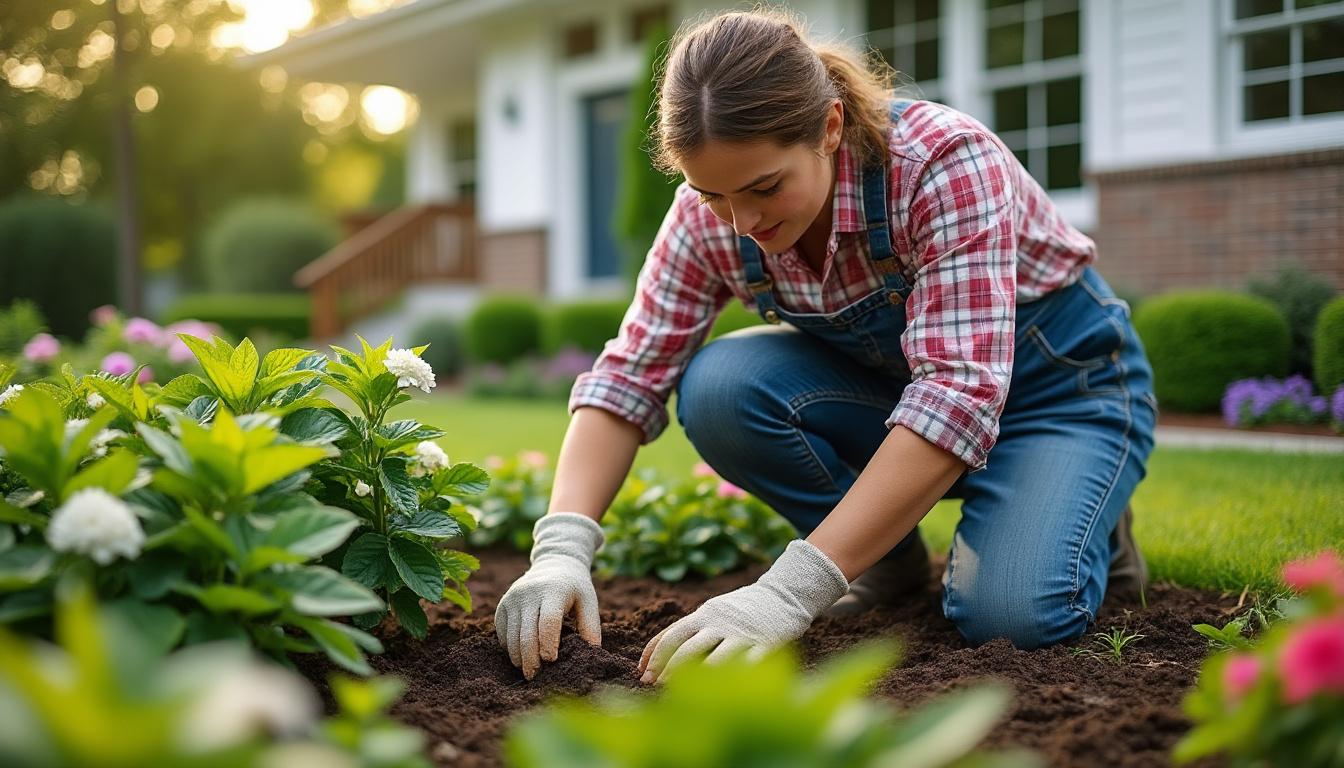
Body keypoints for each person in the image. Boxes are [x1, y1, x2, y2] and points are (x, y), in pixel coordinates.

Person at [494, 8, 1157, 684]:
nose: (742, 222)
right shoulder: (707, 217)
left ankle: (1080, 503)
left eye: (765, 187)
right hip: (901, 399)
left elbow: (957, 395)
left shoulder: (940, 163)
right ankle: (888, 561)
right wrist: (560, 550)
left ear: (830, 127)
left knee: (1011, 617)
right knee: (722, 387)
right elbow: (630, 376)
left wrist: (788, 592)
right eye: (712, 194)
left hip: (1055, 397)